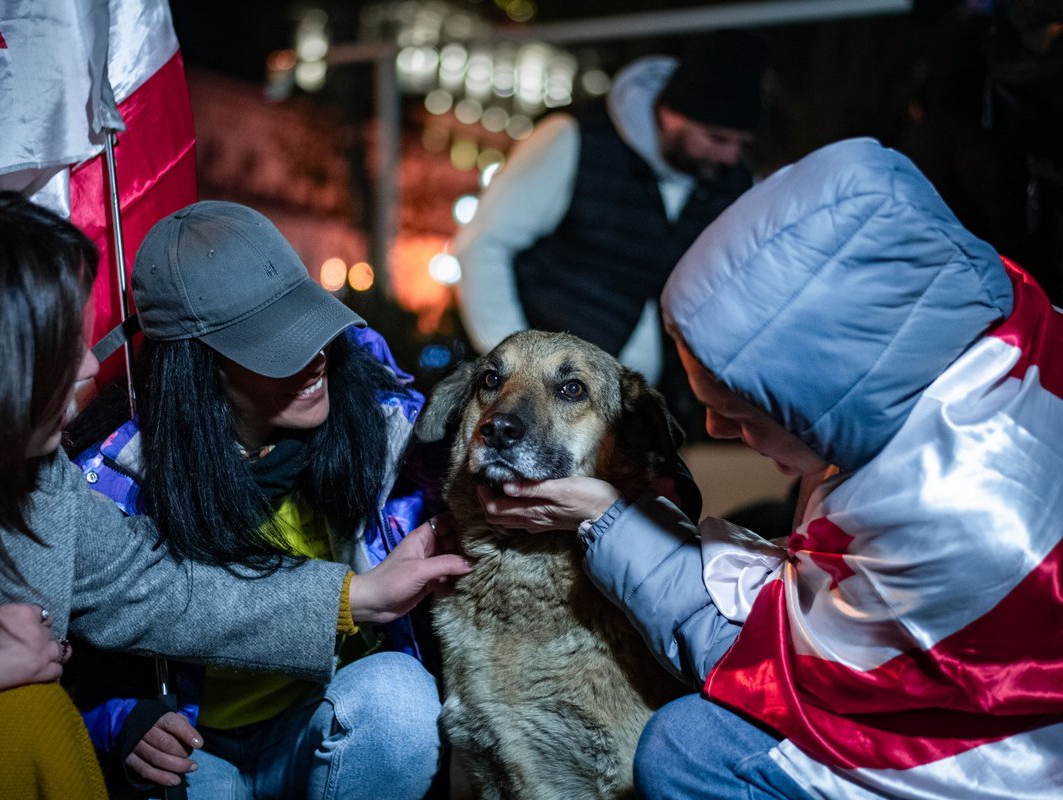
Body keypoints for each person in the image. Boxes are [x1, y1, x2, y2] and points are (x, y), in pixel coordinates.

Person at [478, 137, 1063, 798]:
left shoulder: (957, 511)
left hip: (1019, 757)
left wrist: (607, 518)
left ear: (826, 388)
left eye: (744, 410)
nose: (715, 430)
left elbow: (763, 663)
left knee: (688, 748)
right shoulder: (974, 325)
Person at [0, 183, 470, 800]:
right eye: (55, 347)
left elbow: (148, 583)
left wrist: (357, 596)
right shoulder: (104, 466)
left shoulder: (36, 473)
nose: (85, 368)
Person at [65, 200, 452, 800]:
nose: (315, 356)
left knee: (400, 699)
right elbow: (60, 649)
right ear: (199, 369)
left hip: (321, 723)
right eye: (275, 344)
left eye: (307, 321)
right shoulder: (114, 478)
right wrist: (120, 720)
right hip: (199, 753)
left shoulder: (381, 427)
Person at [454, 28, 768, 433]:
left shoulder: (735, 180)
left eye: (740, 144)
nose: (729, 156)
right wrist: (516, 373)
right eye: (717, 138)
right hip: (547, 409)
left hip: (653, 416)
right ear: (671, 115)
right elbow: (484, 244)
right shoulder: (574, 139)